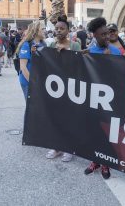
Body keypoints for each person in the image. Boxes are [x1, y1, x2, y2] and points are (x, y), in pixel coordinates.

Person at [83, 17, 120, 180]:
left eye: (107, 33)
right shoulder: (88, 52)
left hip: (109, 101)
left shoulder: (116, 51)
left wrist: (109, 61)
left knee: (106, 132)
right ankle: (94, 161)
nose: (106, 37)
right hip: (92, 99)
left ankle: (105, 164)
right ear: (94, 36)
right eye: (102, 34)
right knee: (93, 131)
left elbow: (122, 76)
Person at [45, 16, 80, 163]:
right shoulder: (51, 44)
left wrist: (66, 53)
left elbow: (79, 65)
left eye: (62, 28)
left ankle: (69, 147)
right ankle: (56, 146)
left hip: (70, 88)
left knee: (69, 118)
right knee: (56, 118)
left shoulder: (75, 45)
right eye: (57, 28)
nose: (58, 31)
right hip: (54, 88)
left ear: (68, 30)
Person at [16, 22, 46, 101]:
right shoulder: (27, 45)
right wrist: (33, 83)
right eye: (42, 29)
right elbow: (23, 67)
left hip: (39, 81)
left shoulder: (43, 44)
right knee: (32, 107)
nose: (44, 31)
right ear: (36, 31)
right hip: (28, 82)